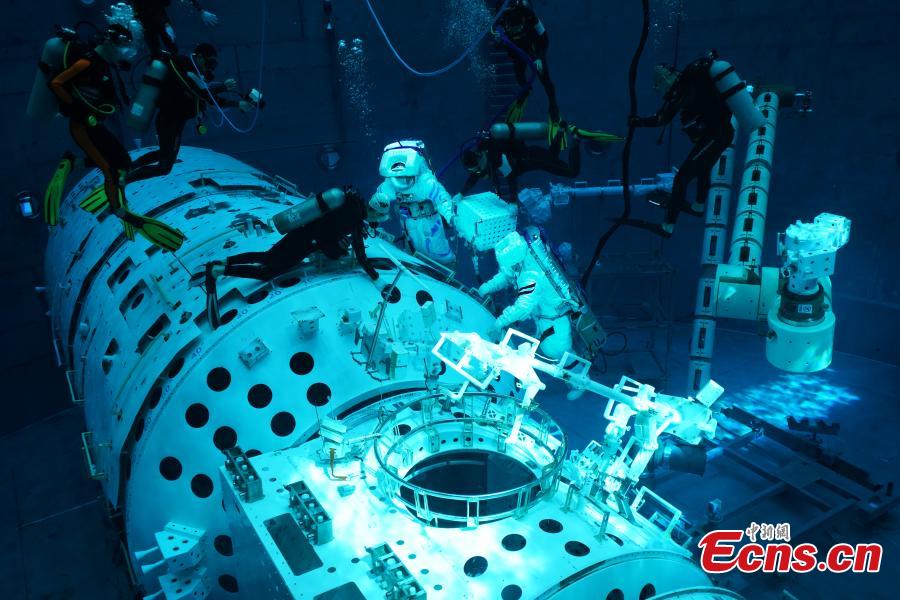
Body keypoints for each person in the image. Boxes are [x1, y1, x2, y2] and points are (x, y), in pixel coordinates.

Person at [47, 23, 185, 251]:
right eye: (123, 48)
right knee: (111, 170)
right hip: (83, 126)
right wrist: (80, 110)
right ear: (112, 43)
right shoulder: (87, 62)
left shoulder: (104, 62)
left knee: (123, 162)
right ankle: (119, 211)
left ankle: (73, 162)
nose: (125, 54)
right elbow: (56, 83)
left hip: (93, 124)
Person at [199, 187, 383, 328]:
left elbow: (327, 225)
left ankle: (225, 261)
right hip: (305, 245)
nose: (377, 222)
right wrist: (376, 278)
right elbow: (358, 254)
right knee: (266, 273)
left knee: (266, 257)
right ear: (375, 212)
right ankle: (220, 270)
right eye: (379, 218)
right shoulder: (355, 221)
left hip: (299, 231)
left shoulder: (349, 201)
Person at [623, 53, 743, 238]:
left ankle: (667, 227)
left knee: (682, 179)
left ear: (667, 77)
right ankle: (698, 207)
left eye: (659, 82)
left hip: (716, 136)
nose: (658, 87)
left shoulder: (682, 89)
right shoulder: (691, 83)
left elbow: (661, 119)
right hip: (719, 133)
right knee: (703, 168)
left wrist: (637, 122)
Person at [124, 43, 255, 184]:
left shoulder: (193, 74)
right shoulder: (183, 67)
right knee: (164, 166)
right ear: (199, 57)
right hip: (169, 121)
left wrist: (235, 101)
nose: (210, 68)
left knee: (164, 154)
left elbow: (207, 96)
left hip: (174, 122)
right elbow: (201, 92)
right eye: (209, 63)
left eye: (213, 65)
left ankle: (129, 168)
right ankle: (125, 179)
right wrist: (226, 91)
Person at [477, 230, 576, 360]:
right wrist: (486, 288)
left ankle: (577, 370)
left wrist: (499, 323)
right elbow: (507, 274)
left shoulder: (531, 276)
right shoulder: (522, 252)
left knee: (560, 356)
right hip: (544, 315)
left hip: (555, 322)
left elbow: (522, 307)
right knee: (549, 350)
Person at [369, 140, 456, 265]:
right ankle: (416, 263)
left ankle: (445, 262)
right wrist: (374, 219)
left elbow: (443, 201)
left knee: (435, 246)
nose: (401, 184)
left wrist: (451, 216)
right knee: (412, 245)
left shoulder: (426, 183)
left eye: (405, 179)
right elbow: (377, 203)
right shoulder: (389, 185)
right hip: (408, 225)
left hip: (430, 222)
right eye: (397, 179)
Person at [493, 0, 561, 145]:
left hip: (533, 49)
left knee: (545, 80)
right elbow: (496, 37)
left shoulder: (530, 16)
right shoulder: (501, 17)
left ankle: (553, 106)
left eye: (518, 28)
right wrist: (498, 39)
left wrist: (539, 58)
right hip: (517, 52)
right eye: (513, 29)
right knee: (519, 75)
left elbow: (544, 40)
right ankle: (525, 91)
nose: (516, 31)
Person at [460, 129, 581, 202]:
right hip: (532, 154)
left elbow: (511, 177)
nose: (478, 172)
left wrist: (513, 202)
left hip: (534, 158)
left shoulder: (496, 157)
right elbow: (474, 176)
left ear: (480, 159)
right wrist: (461, 193)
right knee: (552, 156)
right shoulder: (483, 153)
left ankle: (575, 140)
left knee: (572, 172)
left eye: (477, 169)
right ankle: (560, 131)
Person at [129, 0, 218, 57]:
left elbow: (156, 9)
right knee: (160, 49)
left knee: (164, 48)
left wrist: (200, 10)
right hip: (149, 19)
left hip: (153, 19)